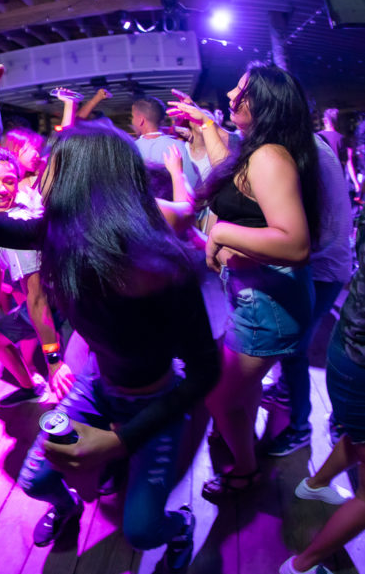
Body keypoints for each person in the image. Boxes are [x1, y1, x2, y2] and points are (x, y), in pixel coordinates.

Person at [0, 50, 220, 573]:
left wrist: (120, 440)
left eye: (50, 169)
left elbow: (205, 371)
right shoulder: (57, 234)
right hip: (96, 388)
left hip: (154, 400)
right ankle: (68, 510)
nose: (38, 179)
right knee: (35, 481)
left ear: (77, 182)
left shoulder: (166, 265)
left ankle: (178, 529)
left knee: (140, 529)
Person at [168, 61, 320, 499]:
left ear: (266, 104)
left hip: (268, 305)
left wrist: (220, 232)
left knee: (216, 395)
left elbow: (295, 244)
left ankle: (245, 468)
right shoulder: (261, 150)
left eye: (242, 91)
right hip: (256, 297)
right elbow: (234, 182)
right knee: (238, 391)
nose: (232, 96)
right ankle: (241, 439)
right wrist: (207, 126)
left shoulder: (271, 155)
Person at [279, 213, 365, 574]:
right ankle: (302, 566)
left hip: (347, 352)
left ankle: (315, 485)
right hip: (359, 367)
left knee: (360, 438)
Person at [263, 135, 353, 456]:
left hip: (324, 272)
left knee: (295, 348)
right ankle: (287, 391)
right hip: (318, 268)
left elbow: (326, 232)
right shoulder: (303, 145)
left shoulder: (307, 150)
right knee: (291, 348)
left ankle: (300, 428)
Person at [0, 147, 75, 406]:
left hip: (71, 302)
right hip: (43, 302)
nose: (2, 189)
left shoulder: (17, 224)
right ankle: (30, 387)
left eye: (9, 181)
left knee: (72, 381)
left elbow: (37, 297)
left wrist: (53, 360)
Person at [131, 96, 201, 192]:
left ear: (140, 120)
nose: (132, 121)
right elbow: (191, 182)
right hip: (173, 204)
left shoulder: (130, 147)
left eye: (133, 117)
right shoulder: (177, 145)